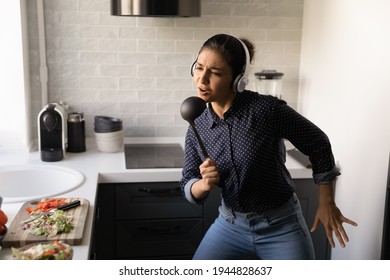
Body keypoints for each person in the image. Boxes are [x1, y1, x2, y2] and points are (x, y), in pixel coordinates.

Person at [179, 33, 357, 260]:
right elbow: (187, 181)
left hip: (282, 227)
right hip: (229, 225)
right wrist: (203, 185)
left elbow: (318, 144)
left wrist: (326, 202)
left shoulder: (266, 110)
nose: (202, 79)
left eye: (215, 73)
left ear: (237, 79)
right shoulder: (198, 124)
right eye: (199, 67)